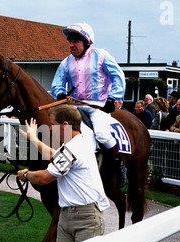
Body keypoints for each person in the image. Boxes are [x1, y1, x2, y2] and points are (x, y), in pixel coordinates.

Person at [17, 105, 109, 242]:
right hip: (67, 218)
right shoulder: (75, 144)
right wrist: (33, 138)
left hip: (87, 220)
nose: (50, 129)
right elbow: (53, 155)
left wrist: (26, 175)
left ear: (65, 125)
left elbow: (44, 177)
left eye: (53, 124)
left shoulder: (73, 147)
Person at [50, 22, 126, 186]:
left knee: (101, 134)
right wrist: (61, 93)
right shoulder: (65, 63)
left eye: (75, 41)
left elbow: (118, 76)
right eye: (70, 41)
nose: (71, 45)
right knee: (58, 133)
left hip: (98, 106)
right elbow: (56, 84)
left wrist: (113, 99)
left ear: (86, 42)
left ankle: (118, 165)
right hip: (75, 106)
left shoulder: (101, 56)